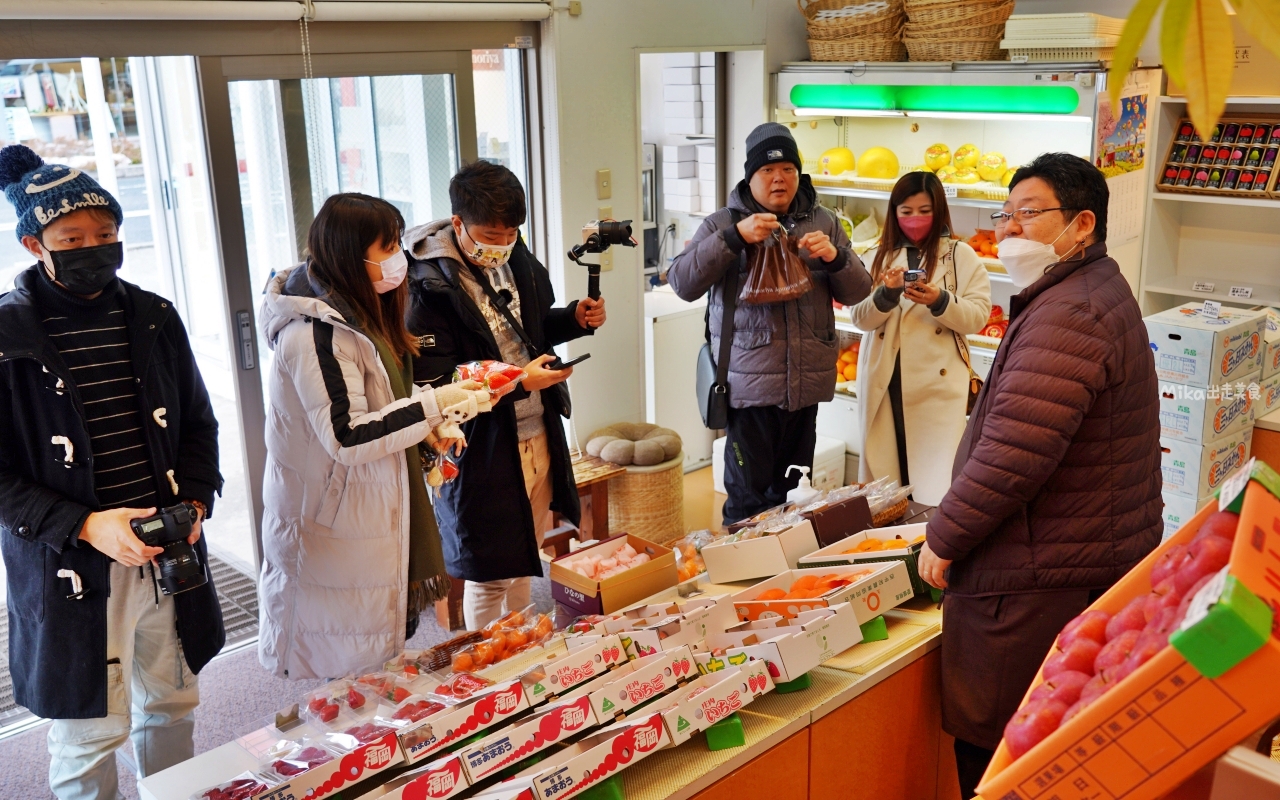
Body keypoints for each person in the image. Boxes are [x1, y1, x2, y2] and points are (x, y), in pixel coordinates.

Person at [916, 153, 1161, 799]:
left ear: (1082, 224)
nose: (1011, 230)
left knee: (1006, 761)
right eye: (1007, 215)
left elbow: (1013, 451)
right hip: (1074, 556)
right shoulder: (1090, 288)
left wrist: (944, 536)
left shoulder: (1069, 312)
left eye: (1029, 214)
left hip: (1036, 576)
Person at [0, 144, 225, 799]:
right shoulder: (8, 336)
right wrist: (87, 525)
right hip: (74, 564)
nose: (94, 246)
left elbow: (199, 425)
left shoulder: (152, 315)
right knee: (89, 732)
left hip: (169, 548)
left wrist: (198, 503)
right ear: (34, 244)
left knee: (173, 704)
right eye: (72, 237)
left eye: (106, 233)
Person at [257, 193, 494, 679]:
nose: (398, 262)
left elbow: (386, 400)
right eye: (386, 249)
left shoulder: (363, 313)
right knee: (351, 677)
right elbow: (347, 435)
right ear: (350, 255)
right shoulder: (313, 333)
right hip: (337, 521)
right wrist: (437, 404)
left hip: (375, 507)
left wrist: (429, 426)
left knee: (382, 657)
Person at [404, 161, 604, 630]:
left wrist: (574, 317)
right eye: (491, 233)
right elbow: (437, 379)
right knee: (490, 574)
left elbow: (529, 329)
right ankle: (487, 666)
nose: (502, 243)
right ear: (458, 224)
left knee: (524, 559)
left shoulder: (513, 255)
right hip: (478, 447)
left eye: (512, 231)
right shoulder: (427, 285)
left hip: (536, 432)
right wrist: (517, 382)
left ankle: (519, 656)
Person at [668, 122, 871, 523]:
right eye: (767, 170)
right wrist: (734, 239)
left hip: (807, 387)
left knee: (797, 498)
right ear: (750, 175)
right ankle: (744, 578)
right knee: (747, 503)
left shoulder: (824, 221)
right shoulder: (722, 222)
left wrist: (836, 257)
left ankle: (788, 580)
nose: (779, 178)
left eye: (789, 170)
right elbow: (682, 282)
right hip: (748, 389)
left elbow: (858, 291)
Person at [851, 171, 991, 505]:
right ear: (894, 212)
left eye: (925, 210)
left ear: (939, 210)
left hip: (937, 387)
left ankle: (932, 548)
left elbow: (978, 315)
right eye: (907, 211)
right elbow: (859, 317)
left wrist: (939, 300)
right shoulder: (875, 255)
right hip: (886, 382)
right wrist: (886, 295)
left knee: (936, 484)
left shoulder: (960, 255)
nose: (915, 219)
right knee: (886, 483)